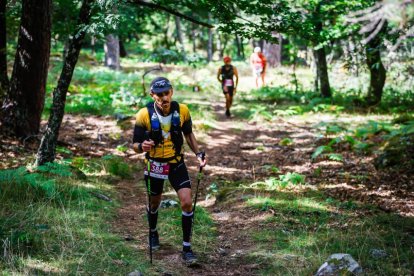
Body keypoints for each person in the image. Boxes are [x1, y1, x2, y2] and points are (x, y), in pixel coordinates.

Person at [132, 76, 207, 265]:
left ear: (171, 92)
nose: (164, 97)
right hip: (155, 164)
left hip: (176, 162)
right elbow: (134, 145)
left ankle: (187, 247)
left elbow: (188, 134)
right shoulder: (143, 114)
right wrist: (143, 146)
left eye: (167, 93)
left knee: (187, 202)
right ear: (152, 95)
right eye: (159, 94)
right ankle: (153, 232)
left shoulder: (182, 111)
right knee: (154, 202)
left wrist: (198, 153)